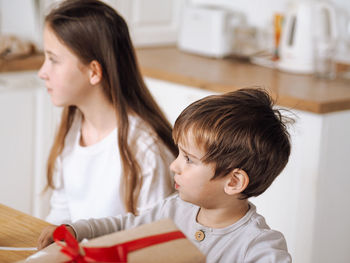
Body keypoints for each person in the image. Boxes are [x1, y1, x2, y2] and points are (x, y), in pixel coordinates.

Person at [38, 88, 293, 262]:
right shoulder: (173, 209)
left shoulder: (260, 248)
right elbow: (123, 227)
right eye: (180, 154)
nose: (174, 166)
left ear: (234, 181)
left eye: (189, 159)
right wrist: (75, 229)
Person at [37, 0, 177, 225]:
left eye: (53, 60)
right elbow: (60, 216)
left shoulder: (144, 149)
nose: (42, 72)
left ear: (94, 71)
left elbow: (151, 242)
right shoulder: (72, 128)